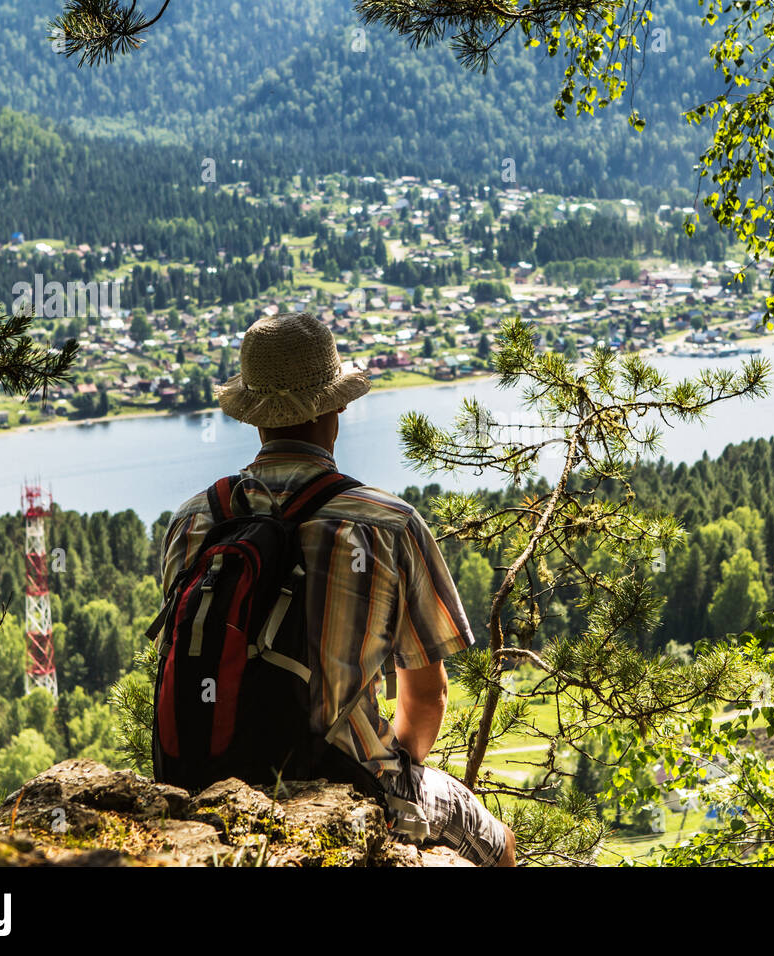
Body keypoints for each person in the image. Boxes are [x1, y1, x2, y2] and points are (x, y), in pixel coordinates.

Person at [159, 311, 515, 867]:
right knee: (499, 843)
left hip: (208, 775)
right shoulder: (387, 523)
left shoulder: (195, 521)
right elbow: (426, 697)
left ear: (254, 417)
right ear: (337, 407)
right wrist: (398, 771)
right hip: (345, 780)